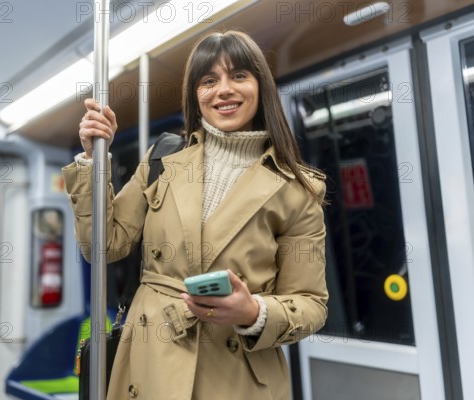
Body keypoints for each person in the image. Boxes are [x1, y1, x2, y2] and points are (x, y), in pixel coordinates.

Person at [63, 30, 328, 400]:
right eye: (209, 80)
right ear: (196, 94)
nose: (223, 90)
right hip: (150, 356)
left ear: (260, 85)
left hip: (236, 373)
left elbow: (311, 304)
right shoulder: (163, 160)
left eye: (238, 76)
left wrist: (253, 311)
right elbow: (102, 247)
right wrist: (94, 161)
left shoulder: (298, 189)